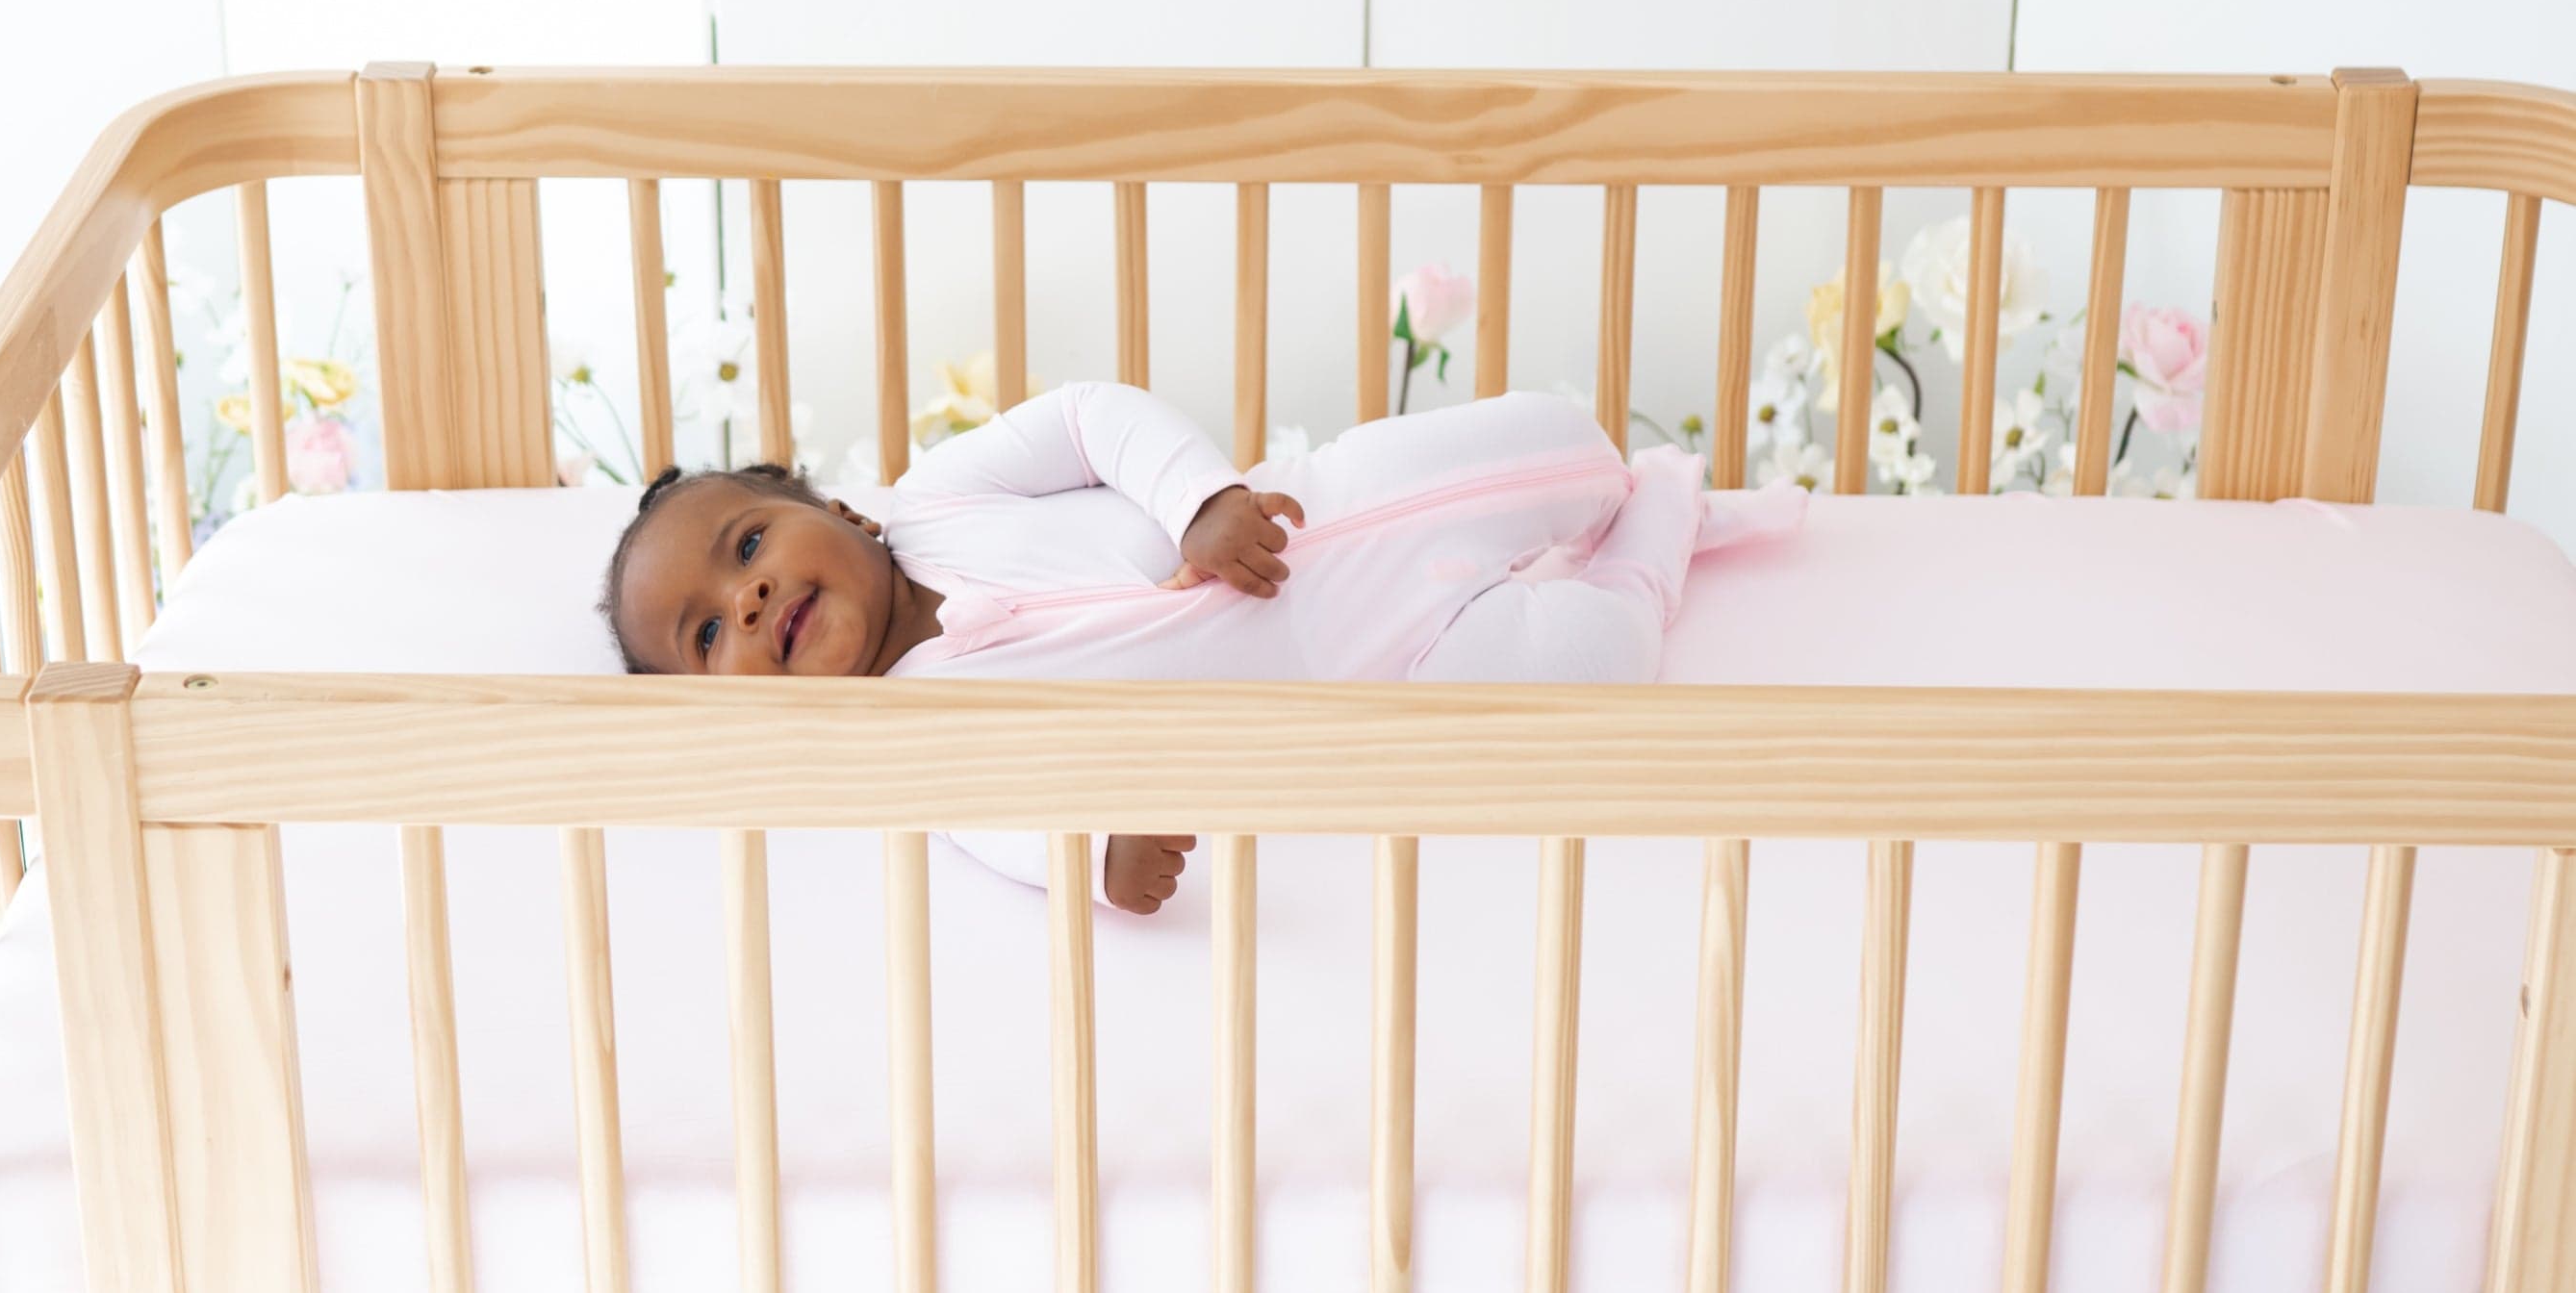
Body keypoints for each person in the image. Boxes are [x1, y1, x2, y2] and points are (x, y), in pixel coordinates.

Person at [599, 381, 1802, 913]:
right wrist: (1098, 857)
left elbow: (1083, 416)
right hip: (1382, 687)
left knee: (1561, 441)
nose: (749, 603)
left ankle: (1607, 484)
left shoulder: (940, 500)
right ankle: (1661, 524)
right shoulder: (916, 737)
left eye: (749, 545)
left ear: (843, 513)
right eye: (708, 634)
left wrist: (1198, 500)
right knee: (1588, 673)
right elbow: (1008, 829)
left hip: (1326, 507)